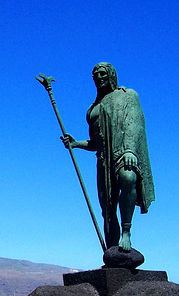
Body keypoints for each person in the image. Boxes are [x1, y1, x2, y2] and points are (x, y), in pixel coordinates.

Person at [62, 62, 154, 252]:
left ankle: (126, 232)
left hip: (123, 152)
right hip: (103, 159)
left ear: (111, 74)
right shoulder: (93, 108)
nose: (99, 78)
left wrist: (130, 150)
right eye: (95, 76)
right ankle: (112, 251)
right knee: (107, 209)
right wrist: (76, 143)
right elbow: (96, 142)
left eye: (103, 74)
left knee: (128, 177)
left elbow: (135, 125)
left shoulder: (128, 95)